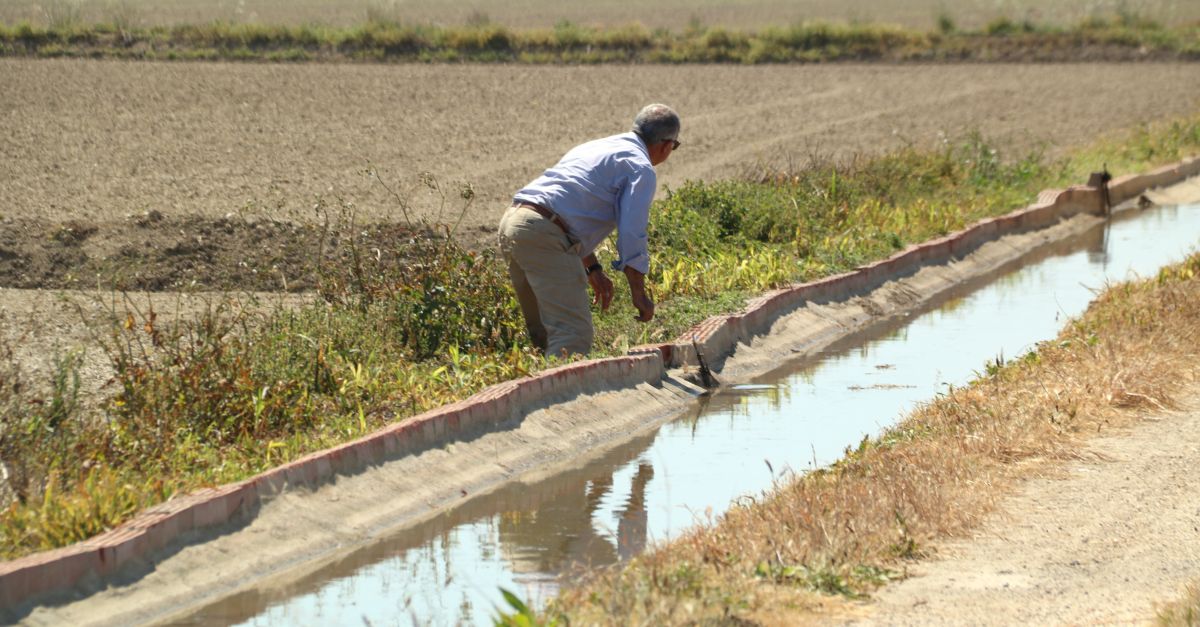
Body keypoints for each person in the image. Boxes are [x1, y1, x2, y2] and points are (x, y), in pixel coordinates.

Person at [498, 104, 681, 357]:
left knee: (544, 335)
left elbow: (569, 210)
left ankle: (540, 380)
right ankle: (561, 383)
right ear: (667, 145)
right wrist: (638, 293)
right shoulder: (640, 167)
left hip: (514, 223)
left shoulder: (594, 147)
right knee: (572, 337)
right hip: (544, 234)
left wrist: (592, 268)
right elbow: (632, 233)